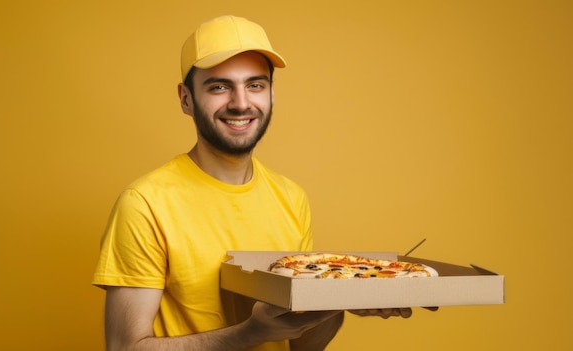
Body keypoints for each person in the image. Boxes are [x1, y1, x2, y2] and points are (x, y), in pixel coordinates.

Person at [92, 15, 412, 351]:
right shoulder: (145, 203)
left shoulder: (291, 197)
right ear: (186, 99)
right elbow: (124, 347)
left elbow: (302, 345)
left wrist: (335, 302)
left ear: (271, 94)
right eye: (219, 86)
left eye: (255, 85)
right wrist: (249, 334)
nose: (241, 103)